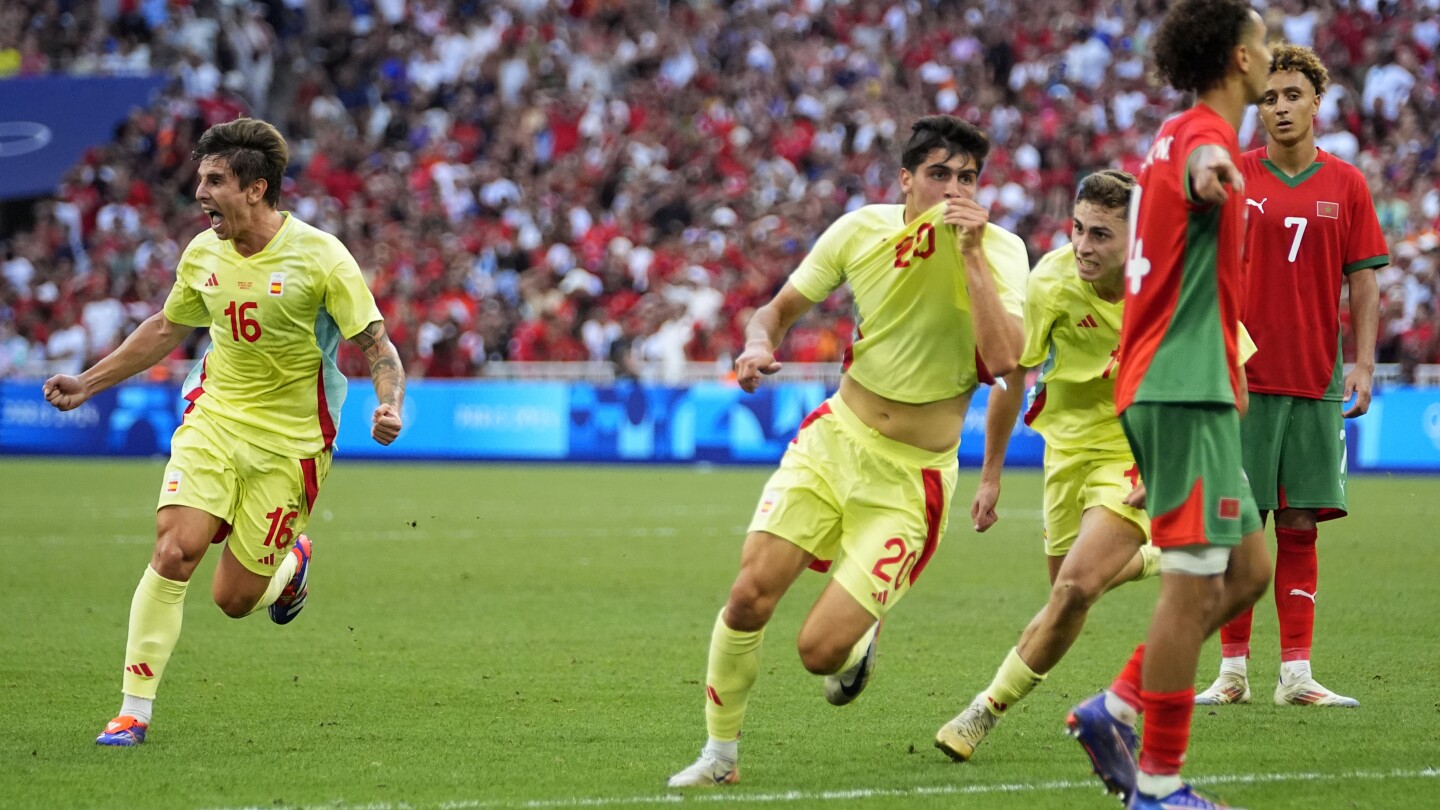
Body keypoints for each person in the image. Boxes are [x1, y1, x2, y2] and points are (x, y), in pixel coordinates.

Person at [666, 115, 1028, 787]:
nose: (954, 189)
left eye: (968, 177)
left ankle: (858, 642)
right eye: (939, 174)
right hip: (834, 440)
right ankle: (720, 758)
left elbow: (1008, 360)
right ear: (906, 181)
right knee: (748, 597)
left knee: (818, 652)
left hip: (911, 478)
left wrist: (971, 253)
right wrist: (755, 345)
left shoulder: (1003, 251)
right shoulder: (860, 230)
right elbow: (774, 312)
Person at [42, 117, 406, 746]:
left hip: (291, 446)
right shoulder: (202, 252)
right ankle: (133, 711)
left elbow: (377, 346)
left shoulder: (321, 256)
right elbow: (164, 328)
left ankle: (290, 568)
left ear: (257, 188)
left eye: (215, 180)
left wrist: (390, 405)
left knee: (233, 599)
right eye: (199, 179)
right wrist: (89, 382)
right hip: (213, 420)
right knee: (173, 549)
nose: (201, 192)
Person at [1062, 2, 1274, 808]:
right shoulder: (1198, 138)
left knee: (1248, 570)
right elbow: (1206, 162)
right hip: (1180, 387)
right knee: (1192, 584)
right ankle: (1159, 783)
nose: (1268, 52)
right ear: (1239, 60)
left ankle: (1113, 705)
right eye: (1261, 42)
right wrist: (1218, 177)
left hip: (1188, 384)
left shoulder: (1170, 133)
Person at [934, 169, 1162, 762]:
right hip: (1065, 449)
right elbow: (1015, 372)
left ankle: (982, 710)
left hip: (1133, 449)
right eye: (1079, 229)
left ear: (1136, 239)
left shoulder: (1173, 282)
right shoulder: (1053, 278)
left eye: (1102, 236)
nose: (1084, 246)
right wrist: (990, 475)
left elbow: (1228, 366)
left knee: (1074, 589)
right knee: (1064, 597)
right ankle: (1160, 556)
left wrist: (1179, 461)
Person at [1196, 43, 1387, 710]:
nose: (1279, 107)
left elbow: (1363, 282)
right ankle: (1232, 671)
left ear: (1316, 102)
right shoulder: (1232, 177)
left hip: (1313, 377)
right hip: (1239, 381)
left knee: (1300, 522)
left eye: (1291, 96)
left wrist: (1362, 362)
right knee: (1239, 524)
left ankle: (1296, 674)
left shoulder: (1348, 184)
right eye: (1268, 98)